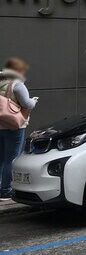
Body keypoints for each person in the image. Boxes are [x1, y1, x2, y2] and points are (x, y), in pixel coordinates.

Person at [0, 58, 37, 200]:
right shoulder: (17, 84)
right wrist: (34, 100)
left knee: (1, 158)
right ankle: (5, 190)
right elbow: (27, 104)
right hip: (13, 126)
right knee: (11, 158)